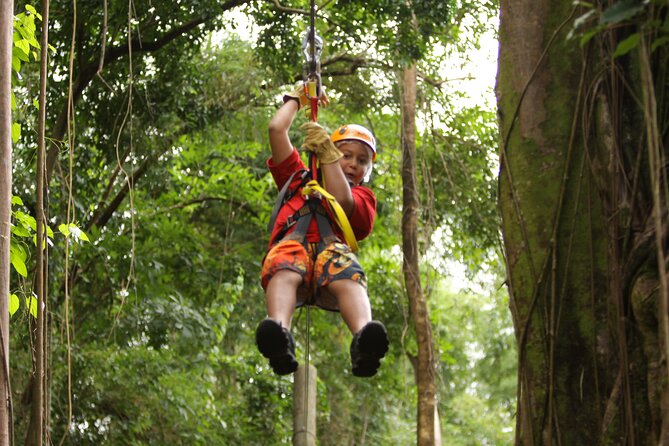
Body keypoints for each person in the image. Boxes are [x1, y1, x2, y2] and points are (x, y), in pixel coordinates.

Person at [255, 84, 388, 378]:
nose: (353, 164)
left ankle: (364, 338)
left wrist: (329, 156)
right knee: (284, 264)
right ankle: (279, 335)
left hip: (330, 259)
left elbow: (342, 200)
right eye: (346, 155)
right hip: (294, 249)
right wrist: (298, 98)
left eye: (362, 160)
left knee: (345, 269)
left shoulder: (363, 198)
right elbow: (277, 130)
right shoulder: (297, 178)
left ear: (368, 170)